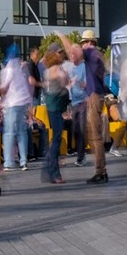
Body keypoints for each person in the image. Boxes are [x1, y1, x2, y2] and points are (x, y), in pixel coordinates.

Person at [0, 44, 32, 172]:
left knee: (9, 133)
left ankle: (8, 161)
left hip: (12, 104)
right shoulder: (19, 69)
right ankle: (23, 161)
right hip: (22, 103)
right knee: (21, 133)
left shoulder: (8, 70)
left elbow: (4, 88)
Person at [81, 31, 108, 183]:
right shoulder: (97, 55)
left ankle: (100, 171)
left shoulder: (90, 52)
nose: (82, 45)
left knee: (96, 136)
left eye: (83, 42)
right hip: (97, 94)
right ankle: (101, 170)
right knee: (95, 135)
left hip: (94, 97)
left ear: (89, 42)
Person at [42, 48, 70, 184]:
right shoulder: (55, 69)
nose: (62, 54)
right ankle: (52, 171)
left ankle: (51, 168)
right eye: (59, 52)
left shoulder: (50, 69)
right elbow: (65, 81)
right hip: (55, 107)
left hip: (55, 107)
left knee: (56, 138)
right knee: (57, 138)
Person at [63, 44, 88, 166]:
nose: (71, 56)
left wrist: (78, 82)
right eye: (70, 54)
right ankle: (80, 154)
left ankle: (81, 157)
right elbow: (66, 82)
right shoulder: (70, 68)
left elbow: (87, 85)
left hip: (83, 101)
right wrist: (68, 82)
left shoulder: (84, 67)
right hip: (73, 102)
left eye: (73, 54)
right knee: (75, 130)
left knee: (82, 129)